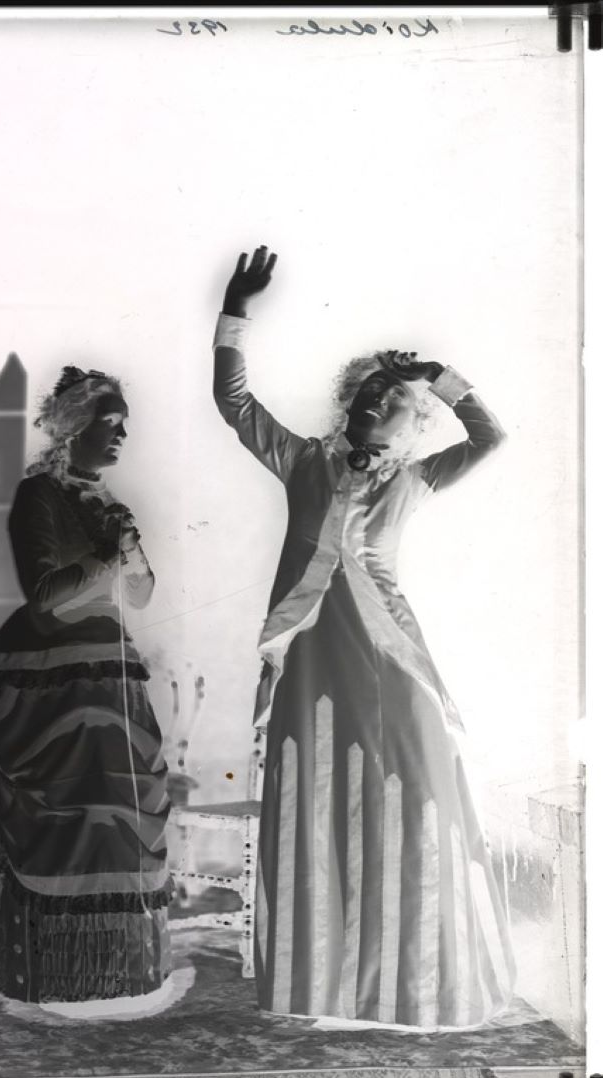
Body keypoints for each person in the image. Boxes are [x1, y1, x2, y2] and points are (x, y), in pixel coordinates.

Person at [213, 245, 516, 1030]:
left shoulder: (414, 477)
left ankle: (419, 985)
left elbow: (490, 437)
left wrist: (440, 376)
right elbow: (234, 402)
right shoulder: (303, 461)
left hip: (391, 656)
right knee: (315, 800)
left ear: (413, 421)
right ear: (351, 398)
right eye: (372, 386)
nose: (379, 396)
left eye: (398, 395)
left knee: (418, 792)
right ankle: (320, 986)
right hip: (311, 658)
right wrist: (235, 310)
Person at [0, 365, 173, 1010]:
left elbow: (141, 596)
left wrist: (129, 548)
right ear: (73, 426)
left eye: (126, 424)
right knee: (70, 813)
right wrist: (104, 553)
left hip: (111, 673)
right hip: (48, 680)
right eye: (110, 422)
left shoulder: (107, 500)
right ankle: (55, 981)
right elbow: (45, 598)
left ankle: (122, 979)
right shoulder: (38, 494)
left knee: (123, 813)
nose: (122, 435)